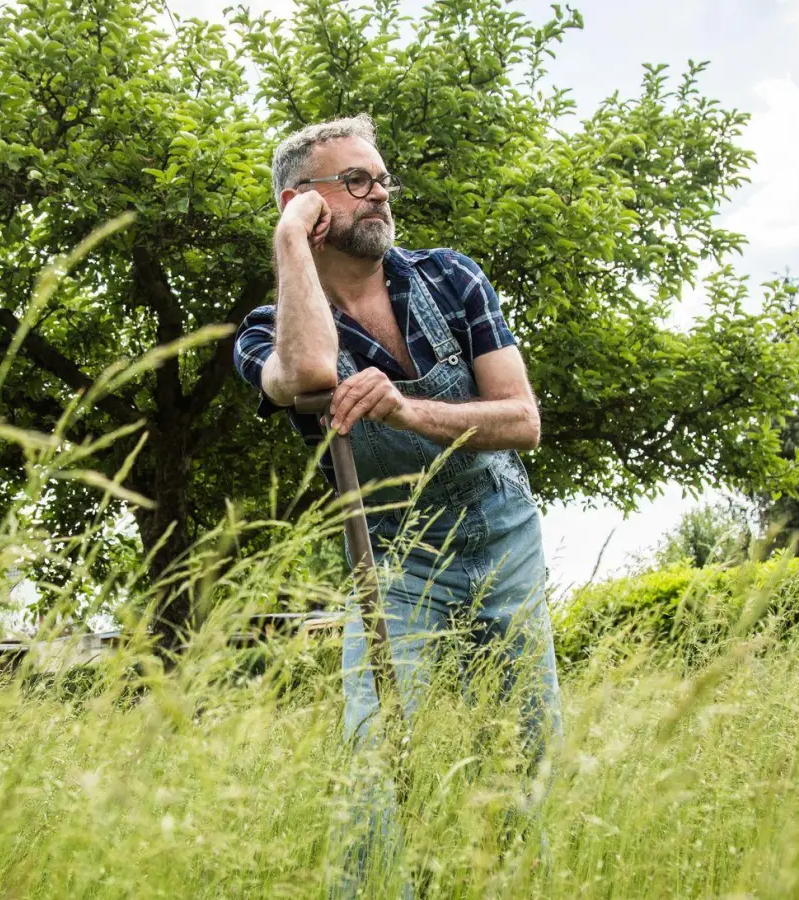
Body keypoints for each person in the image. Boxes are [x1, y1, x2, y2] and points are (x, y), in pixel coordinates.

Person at [232, 113, 563, 895]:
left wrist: (409, 411)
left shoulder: (451, 277)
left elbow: (522, 421)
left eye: (382, 179)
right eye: (356, 181)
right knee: (372, 756)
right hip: (396, 564)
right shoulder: (261, 334)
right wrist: (289, 244)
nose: (379, 193)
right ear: (300, 203)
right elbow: (311, 373)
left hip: (502, 538)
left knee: (526, 748)